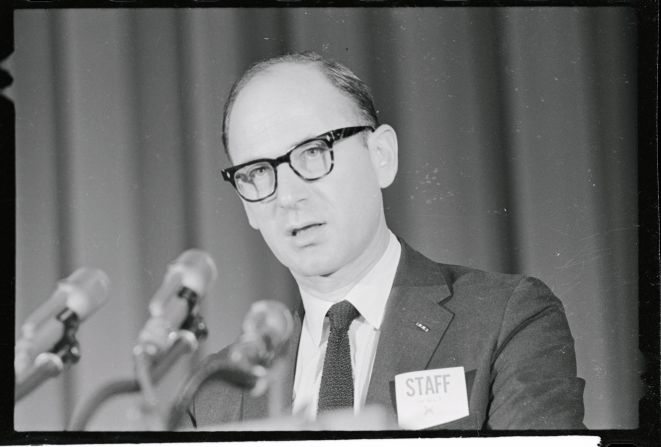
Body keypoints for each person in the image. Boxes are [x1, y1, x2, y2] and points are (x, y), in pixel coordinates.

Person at [183, 52, 586, 430]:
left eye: (312, 152)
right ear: (246, 205)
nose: (288, 197)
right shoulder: (216, 393)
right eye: (256, 172)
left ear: (381, 155)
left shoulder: (506, 318)